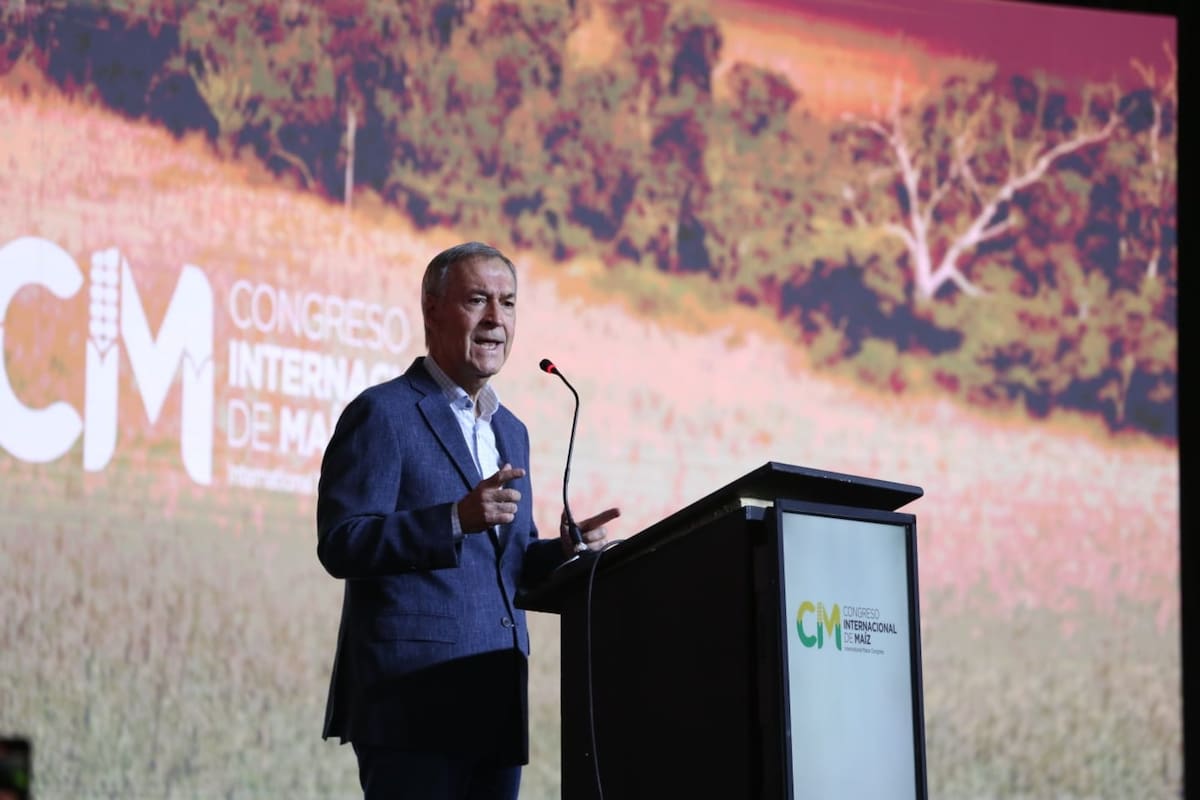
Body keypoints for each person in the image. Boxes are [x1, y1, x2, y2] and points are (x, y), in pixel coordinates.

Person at [316, 241, 619, 800]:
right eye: (477, 300)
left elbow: (510, 563)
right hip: (411, 706)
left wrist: (565, 551)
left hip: (495, 701)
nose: (495, 320)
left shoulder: (512, 431)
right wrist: (454, 519)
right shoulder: (383, 413)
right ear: (431, 310)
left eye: (507, 304)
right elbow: (342, 542)